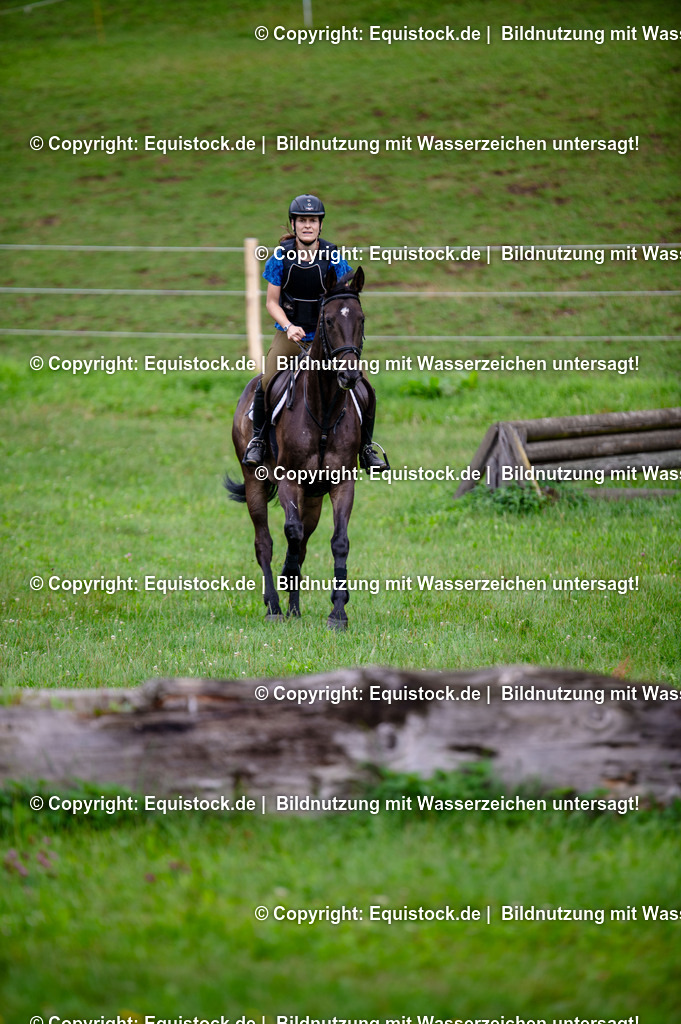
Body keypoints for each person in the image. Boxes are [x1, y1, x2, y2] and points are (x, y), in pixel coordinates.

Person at [242, 194, 388, 471]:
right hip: (291, 335)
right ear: (294, 224)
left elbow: (345, 297)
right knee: (267, 379)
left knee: (364, 386)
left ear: (320, 225)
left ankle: (367, 449)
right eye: (301, 221)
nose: (307, 225)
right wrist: (288, 327)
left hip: (328, 341)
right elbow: (271, 302)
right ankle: (259, 441)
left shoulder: (333, 257)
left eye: (312, 221)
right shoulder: (280, 258)